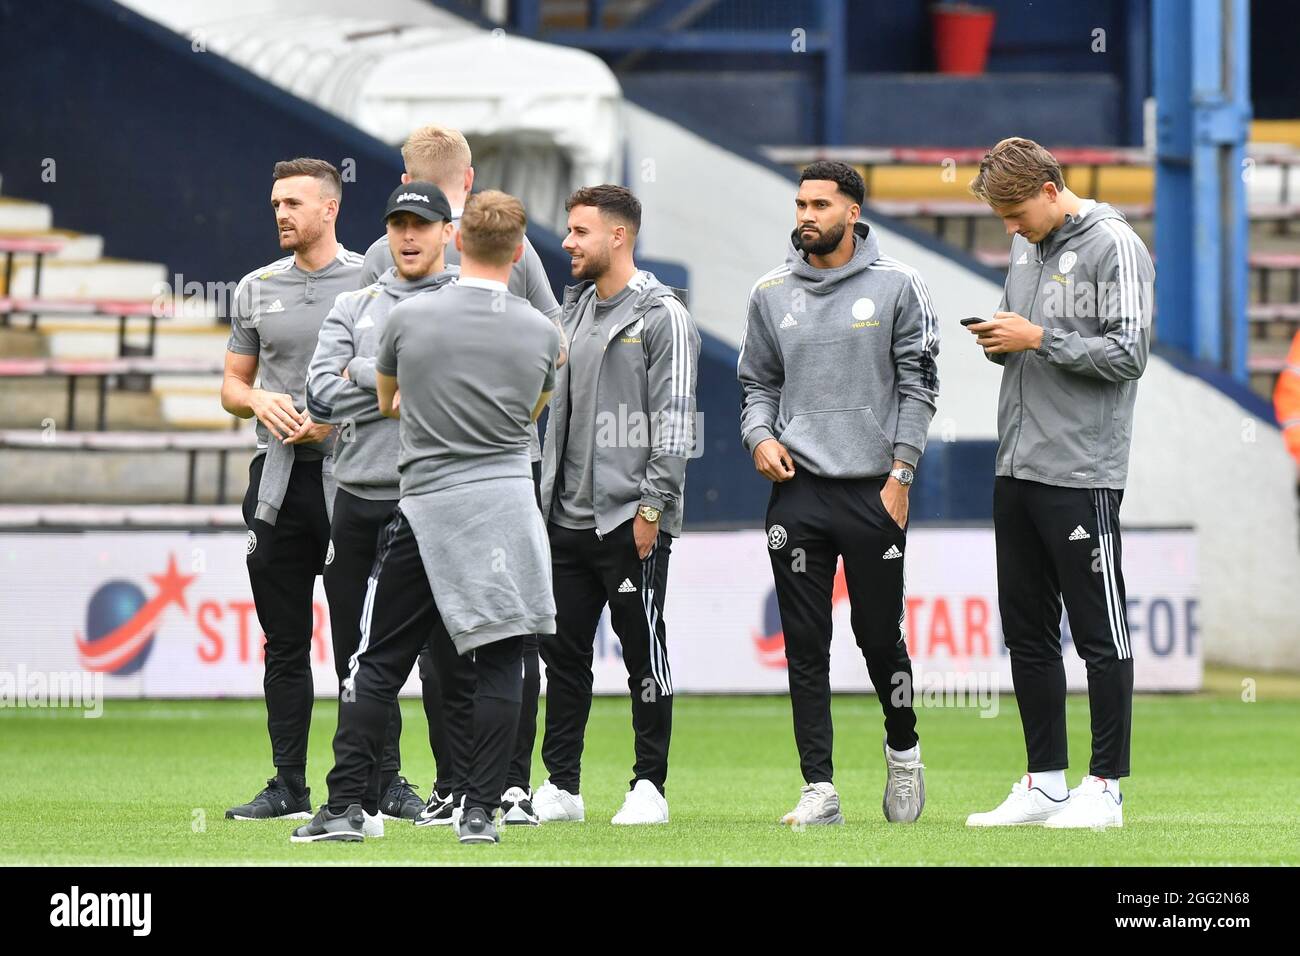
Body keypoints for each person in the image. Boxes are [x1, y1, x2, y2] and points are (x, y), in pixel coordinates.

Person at [291, 191, 561, 844]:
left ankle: (347, 807)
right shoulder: (543, 330)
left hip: (427, 506)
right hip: (504, 507)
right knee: (499, 664)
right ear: (521, 251)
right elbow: (533, 410)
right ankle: (478, 812)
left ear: (458, 240)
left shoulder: (407, 323)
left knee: (377, 661)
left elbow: (387, 403)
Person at [362, 125, 567, 826]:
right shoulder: (517, 255)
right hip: (501, 474)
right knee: (504, 637)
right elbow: (553, 344)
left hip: (423, 475)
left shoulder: (390, 261)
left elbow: (372, 366)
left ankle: (461, 785)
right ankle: (491, 789)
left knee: (423, 642)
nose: (409, 238)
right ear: (470, 176)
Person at [738, 159, 937, 827]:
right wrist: (759, 435)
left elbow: (919, 387)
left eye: (820, 204)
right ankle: (818, 788)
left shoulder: (898, 285)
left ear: (853, 212)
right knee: (803, 640)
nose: (805, 215)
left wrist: (901, 473)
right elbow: (758, 385)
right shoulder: (769, 291)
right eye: (800, 203)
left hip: (873, 491)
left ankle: (903, 748)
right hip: (799, 493)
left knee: (879, 636)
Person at [963, 137, 1153, 829]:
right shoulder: (1025, 246)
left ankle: (1106, 788)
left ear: (1049, 188)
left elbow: (1129, 353)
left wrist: (1039, 339)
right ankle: (1046, 782)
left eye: (1016, 212)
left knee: (1101, 632)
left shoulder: (1115, 246)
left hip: (1081, 469)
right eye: (1001, 215)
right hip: (1016, 464)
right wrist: (1003, 340)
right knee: (1029, 633)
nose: (1010, 226)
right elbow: (1035, 339)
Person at [533, 185, 700, 826]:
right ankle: (563, 786)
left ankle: (648, 786)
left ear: (619, 236)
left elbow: (678, 423)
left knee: (643, 654)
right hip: (564, 518)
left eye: (579, 231)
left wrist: (652, 508)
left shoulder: (663, 315)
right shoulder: (571, 312)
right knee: (564, 656)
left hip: (628, 519)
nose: (569, 243)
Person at [304, 182, 460, 826]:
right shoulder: (353, 302)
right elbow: (317, 396)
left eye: (421, 224)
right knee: (356, 659)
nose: (408, 235)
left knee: (450, 659)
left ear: (447, 232)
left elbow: (458, 388)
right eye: (398, 223)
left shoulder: (464, 304)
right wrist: (405, 384)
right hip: (358, 502)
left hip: (431, 504)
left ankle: (457, 791)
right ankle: (376, 787)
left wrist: (365, 374)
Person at [221, 158, 363, 821]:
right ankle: (288, 786)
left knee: (361, 646)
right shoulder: (255, 287)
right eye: (275, 202)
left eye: (294, 203)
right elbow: (231, 387)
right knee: (284, 643)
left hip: (355, 482)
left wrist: (337, 417)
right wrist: (257, 399)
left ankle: (375, 782)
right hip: (276, 485)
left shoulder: (372, 280)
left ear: (329, 209)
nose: (281, 214)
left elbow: (400, 381)